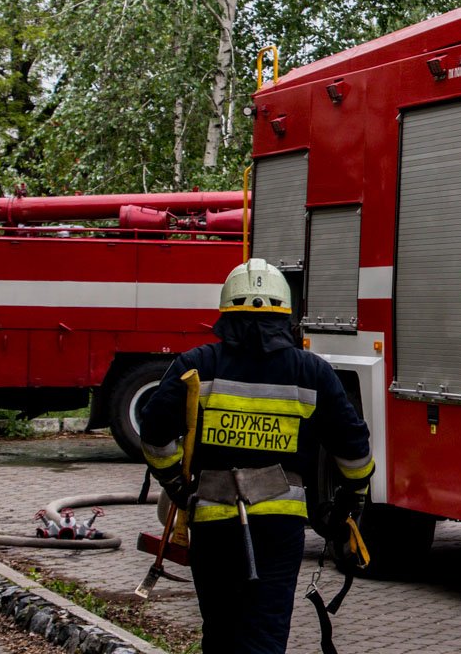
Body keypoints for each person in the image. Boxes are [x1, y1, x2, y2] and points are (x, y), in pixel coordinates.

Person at [140, 257, 373, 654]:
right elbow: (355, 450)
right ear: (286, 314)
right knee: (264, 630)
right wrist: (351, 501)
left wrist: (176, 483)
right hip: (278, 528)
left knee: (220, 630)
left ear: (225, 313)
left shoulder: (198, 366)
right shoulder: (312, 373)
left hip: (213, 525)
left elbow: (153, 434)